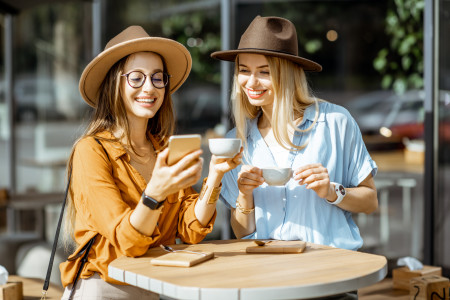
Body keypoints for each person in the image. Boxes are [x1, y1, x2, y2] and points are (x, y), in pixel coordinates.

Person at [60, 25, 242, 299]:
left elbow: (190, 228)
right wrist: (154, 193)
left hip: (152, 289)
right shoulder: (90, 151)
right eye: (136, 78)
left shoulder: (163, 149)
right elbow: (127, 240)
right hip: (102, 290)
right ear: (114, 83)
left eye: (158, 78)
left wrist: (215, 175)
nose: (149, 87)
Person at [211, 16, 378, 251]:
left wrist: (331, 191)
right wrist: (245, 195)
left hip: (330, 271)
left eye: (264, 71)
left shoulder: (335, 122)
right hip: (268, 276)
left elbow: (370, 201)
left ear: (286, 73)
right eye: (244, 70)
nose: (251, 82)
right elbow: (242, 233)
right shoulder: (235, 141)